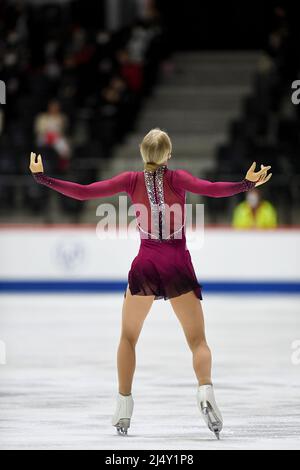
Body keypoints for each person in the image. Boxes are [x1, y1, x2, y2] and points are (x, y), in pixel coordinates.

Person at [29, 128, 272, 439]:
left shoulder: (130, 180)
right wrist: (246, 184)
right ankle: (205, 391)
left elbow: (84, 192)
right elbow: (211, 189)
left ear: (144, 155)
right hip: (177, 262)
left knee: (128, 337)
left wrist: (43, 179)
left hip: (146, 262)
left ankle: (123, 408)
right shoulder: (178, 178)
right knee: (197, 340)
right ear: (167, 155)